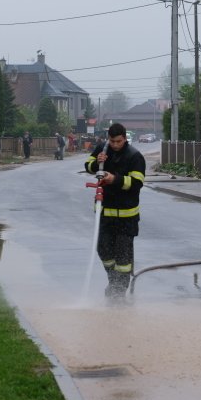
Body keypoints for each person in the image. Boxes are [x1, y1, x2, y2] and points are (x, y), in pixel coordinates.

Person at [85, 123, 146, 296]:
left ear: (124, 138)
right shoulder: (102, 150)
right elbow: (87, 166)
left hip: (127, 218)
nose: (115, 145)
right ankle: (114, 282)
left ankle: (117, 294)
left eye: (118, 141)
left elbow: (137, 183)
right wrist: (97, 163)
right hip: (105, 214)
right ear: (108, 139)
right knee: (104, 251)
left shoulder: (134, 156)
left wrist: (115, 179)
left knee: (123, 259)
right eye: (112, 141)